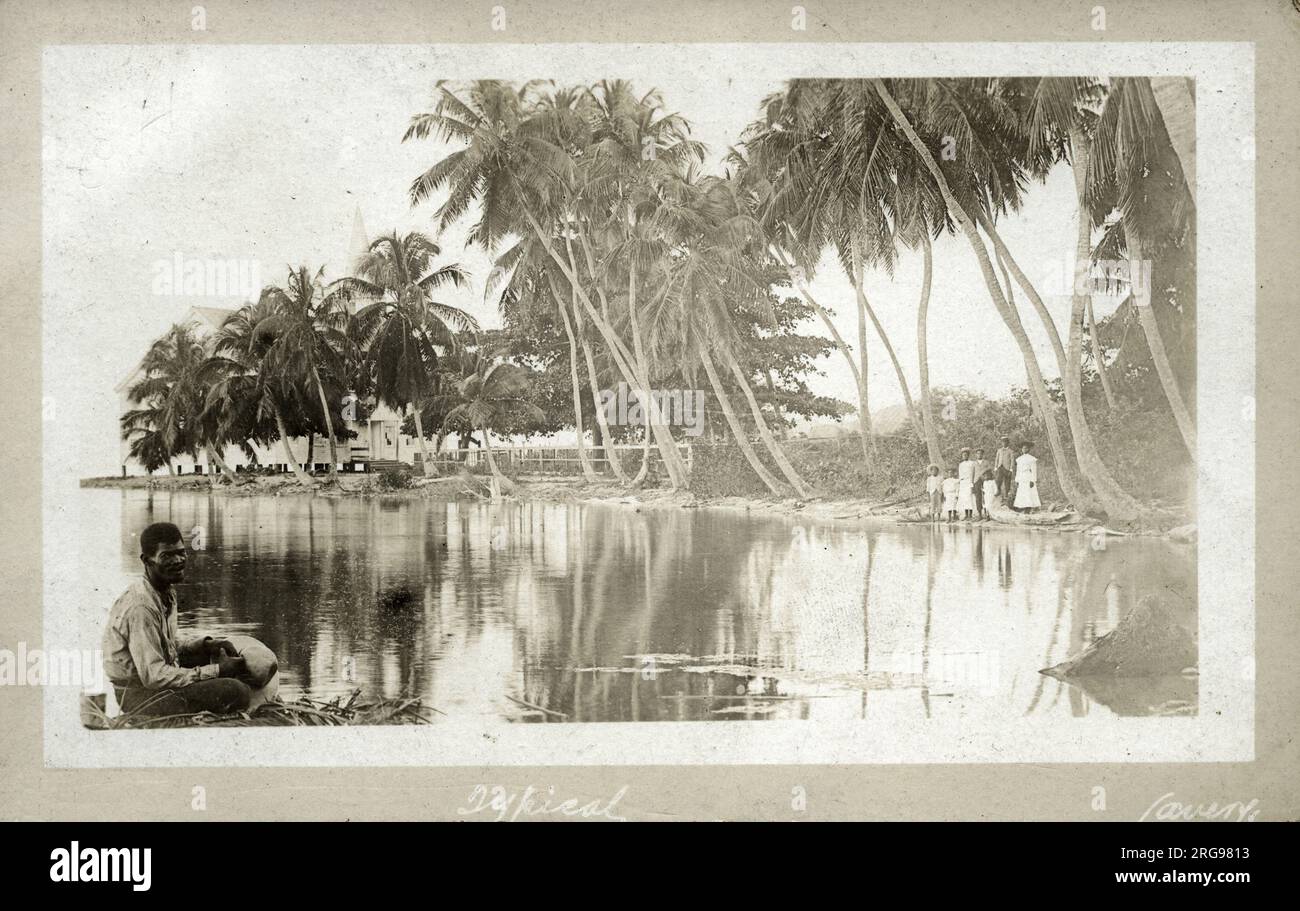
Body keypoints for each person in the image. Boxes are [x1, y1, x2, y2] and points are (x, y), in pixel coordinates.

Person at [102, 522, 253, 717]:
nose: (178, 560)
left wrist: (206, 645)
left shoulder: (165, 591)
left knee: (219, 653)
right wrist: (216, 671)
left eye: (181, 552)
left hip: (150, 678)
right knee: (236, 691)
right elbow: (154, 676)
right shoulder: (141, 607)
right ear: (146, 561)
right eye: (167, 556)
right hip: (139, 696)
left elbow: (166, 645)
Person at [1014, 442, 1042, 512]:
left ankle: (1028, 508)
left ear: (1028, 449)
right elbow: (1018, 470)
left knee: (1028, 492)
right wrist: (1017, 480)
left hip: (1028, 476)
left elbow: (1034, 470)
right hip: (1021, 477)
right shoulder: (1019, 459)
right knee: (1022, 492)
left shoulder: (1031, 459)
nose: (1024, 449)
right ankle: (1022, 506)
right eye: (1023, 448)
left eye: (1026, 448)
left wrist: (1033, 480)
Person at [956, 447, 976, 520]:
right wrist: (960, 484)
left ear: (968, 455)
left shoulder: (972, 463)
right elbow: (960, 475)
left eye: (966, 455)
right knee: (964, 498)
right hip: (963, 483)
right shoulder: (960, 464)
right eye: (963, 455)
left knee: (969, 498)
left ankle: (970, 515)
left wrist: (972, 483)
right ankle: (966, 514)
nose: (964, 456)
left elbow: (973, 474)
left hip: (969, 481)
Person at [994, 435, 1015, 500]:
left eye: (1005, 442)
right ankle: (998, 490)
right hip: (1000, 467)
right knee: (998, 479)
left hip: (1007, 468)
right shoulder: (999, 450)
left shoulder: (1011, 451)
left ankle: (1006, 493)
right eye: (1003, 442)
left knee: (1007, 481)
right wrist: (995, 467)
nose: (1004, 443)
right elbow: (996, 459)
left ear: (1008, 443)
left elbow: (1012, 460)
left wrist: (1011, 469)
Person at [971, 448, 990, 518]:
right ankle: (979, 514)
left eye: (981, 453)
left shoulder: (986, 462)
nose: (979, 455)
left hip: (985, 481)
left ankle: (986, 513)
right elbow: (972, 474)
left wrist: (987, 478)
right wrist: (972, 483)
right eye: (978, 453)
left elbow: (989, 471)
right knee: (978, 497)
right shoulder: (974, 463)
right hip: (976, 481)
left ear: (983, 454)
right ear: (976, 455)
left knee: (986, 497)